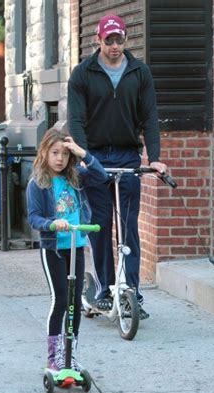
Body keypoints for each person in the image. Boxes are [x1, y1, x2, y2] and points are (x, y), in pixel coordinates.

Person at [68, 15, 168, 320]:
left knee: (128, 227)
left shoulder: (140, 72)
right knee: (99, 227)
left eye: (119, 40)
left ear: (126, 40)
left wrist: (155, 158)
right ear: (99, 40)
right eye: (109, 40)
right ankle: (103, 289)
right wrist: (85, 158)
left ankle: (132, 292)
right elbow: (76, 120)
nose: (114, 46)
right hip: (95, 157)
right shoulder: (83, 74)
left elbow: (150, 118)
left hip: (127, 157)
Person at [26, 128, 107, 372]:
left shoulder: (77, 177)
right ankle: (54, 357)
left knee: (74, 302)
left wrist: (82, 153)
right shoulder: (38, 184)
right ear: (44, 153)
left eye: (64, 153)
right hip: (54, 248)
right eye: (54, 153)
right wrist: (51, 223)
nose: (60, 158)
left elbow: (101, 176)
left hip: (76, 246)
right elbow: (34, 218)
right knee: (60, 300)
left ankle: (70, 353)